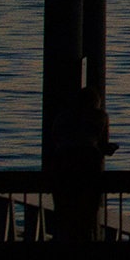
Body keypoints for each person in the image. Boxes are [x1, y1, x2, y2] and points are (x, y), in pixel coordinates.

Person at [50, 86, 118, 244]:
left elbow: (56, 139)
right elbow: (102, 144)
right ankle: (87, 246)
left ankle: (64, 245)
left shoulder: (62, 117)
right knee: (88, 210)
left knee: (64, 209)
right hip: (88, 163)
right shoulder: (99, 116)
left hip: (62, 164)